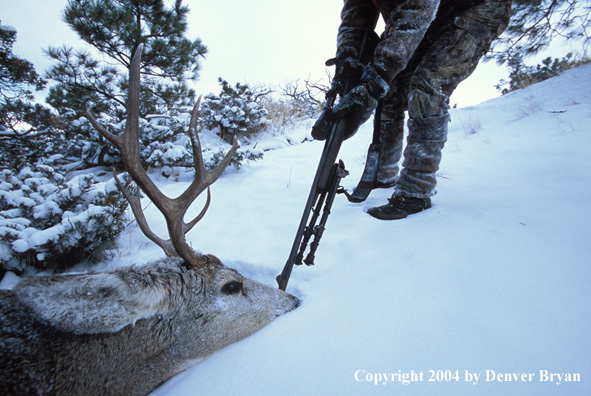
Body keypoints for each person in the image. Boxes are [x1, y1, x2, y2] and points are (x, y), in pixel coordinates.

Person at [317, 0, 512, 220]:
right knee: (389, 89)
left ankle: (415, 191)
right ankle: (383, 174)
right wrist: (347, 60)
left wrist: (379, 71)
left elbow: (416, 11)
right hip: (431, 17)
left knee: (428, 84)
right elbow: (355, 20)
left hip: (476, 8)